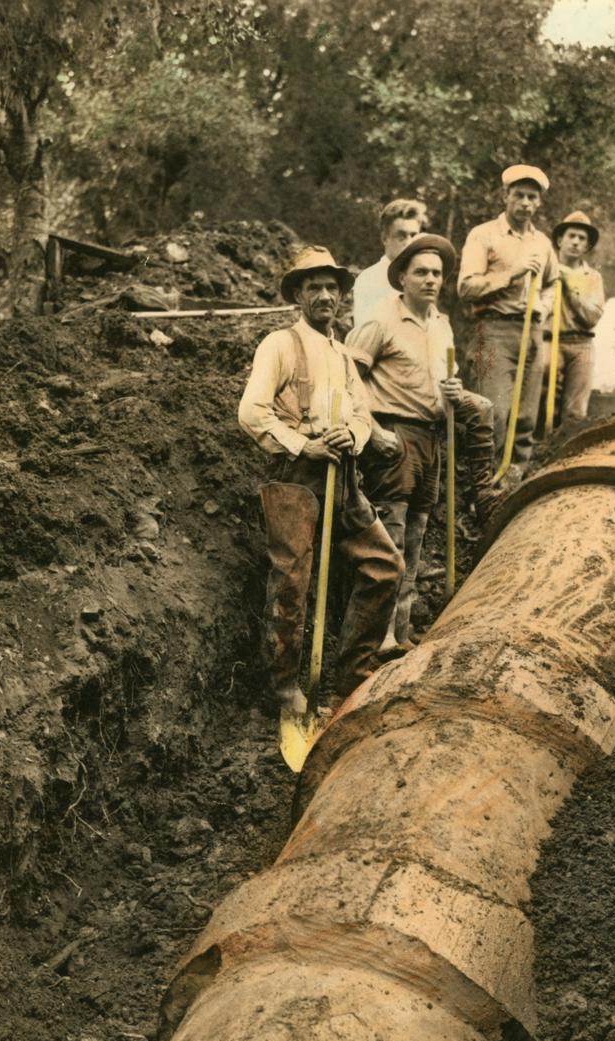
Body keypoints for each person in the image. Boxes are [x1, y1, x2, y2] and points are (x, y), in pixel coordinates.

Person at [238, 245, 404, 714]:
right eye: (315, 287)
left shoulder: (343, 352)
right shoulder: (280, 345)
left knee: (384, 565)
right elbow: (251, 412)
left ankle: (351, 678)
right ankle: (285, 690)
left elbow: (361, 412)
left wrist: (352, 434)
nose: (325, 296)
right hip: (297, 477)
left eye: (332, 287)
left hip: (344, 477)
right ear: (298, 295)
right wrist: (302, 443)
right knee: (292, 583)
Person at [347, 233, 495, 650]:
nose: (430, 280)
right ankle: (376, 641)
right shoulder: (379, 320)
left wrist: (453, 393)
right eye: (421, 272)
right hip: (395, 437)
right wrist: (372, 431)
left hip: (432, 438)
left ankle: (402, 632)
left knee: (416, 536)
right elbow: (348, 376)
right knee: (389, 540)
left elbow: (440, 382)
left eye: (437, 273)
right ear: (403, 278)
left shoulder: (442, 324)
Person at [458, 164, 559, 472]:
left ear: (539, 202)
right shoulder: (484, 235)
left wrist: (544, 305)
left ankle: (516, 482)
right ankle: (485, 487)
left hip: (531, 332)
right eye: (519, 195)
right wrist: (510, 274)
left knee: (526, 417)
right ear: (505, 196)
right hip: (493, 331)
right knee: (495, 415)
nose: (526, 203)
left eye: (532, 197)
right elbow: (465, 287)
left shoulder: (542, 243)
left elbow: (554, 283)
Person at [543, 210, 604, 424]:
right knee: (542, 402)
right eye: (571, 236)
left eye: (582, 238)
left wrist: (571, 289)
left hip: (581, 344)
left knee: (575, 412)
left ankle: (569, 454)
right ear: (560, 240)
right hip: (549, 342)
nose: (576, 242)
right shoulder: (545, 270)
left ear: (587, 246)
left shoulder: (593, 277)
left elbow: (592, 316)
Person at [352, 198, 427, 327]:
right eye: (401, 236)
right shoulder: (369, 280)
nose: (409, 243)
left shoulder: (425, 278)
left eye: (413, 236)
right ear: (385, 238)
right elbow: (365, 338)